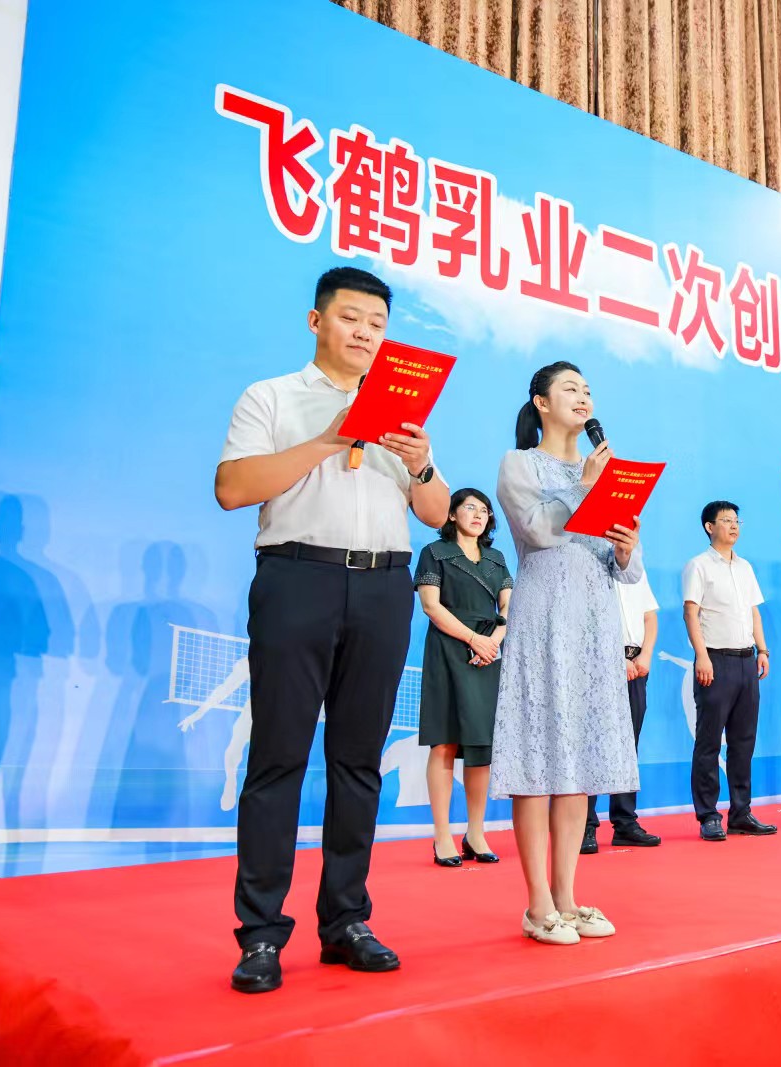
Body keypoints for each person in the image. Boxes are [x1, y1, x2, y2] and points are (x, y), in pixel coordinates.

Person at [215, 267, 450, 994]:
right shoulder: (272, 396)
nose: (364, 333)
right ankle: (260, 932)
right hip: (298, 578)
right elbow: (233, 488)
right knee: (278, 756)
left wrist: (422, 464)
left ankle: (346, 918)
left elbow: (436, 514)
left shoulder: (402, 410)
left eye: (377, 324)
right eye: (351, 318)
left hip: (383, 585)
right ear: (316, 321)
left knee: (358, 761)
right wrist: (330, 437)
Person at [491, 361, 643, 946]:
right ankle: (537, 906)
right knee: (538, 758)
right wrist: (584, 485)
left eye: (588, 389)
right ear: (541, 402)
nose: (583, 397)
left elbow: (627, 570)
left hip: (595, 623)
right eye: (570, 389)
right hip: (544, 618)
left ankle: (567, 898)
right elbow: (536, 531)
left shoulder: (605, 474)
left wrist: (626, 550)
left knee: (577, 761)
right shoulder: (520, 463)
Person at [415, 488, 512, 868]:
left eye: (484, 510)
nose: (478, 515)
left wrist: (493, 641)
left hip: (488, 653)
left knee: (481, 746)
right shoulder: (435, 552)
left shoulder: (496, 558)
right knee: (444, 741)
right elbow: (430, 605)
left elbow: (508, 605)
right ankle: (442, 836)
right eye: (470, 507)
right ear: (452, 514)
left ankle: (475, 832)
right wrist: (473, 639)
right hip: (449, 647)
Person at [683, 501, 776, 842]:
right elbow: (690, 613)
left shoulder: (745, 567)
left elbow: (754, 613)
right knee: (709, 741)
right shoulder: (698, 565)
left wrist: (762, 650)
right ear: (710, 527)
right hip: (715, 661)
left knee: (743, 741)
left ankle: (741, 812)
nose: (734, 526)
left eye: (737, 521)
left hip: (746, 661)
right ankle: (708, 815)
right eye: (726, 520)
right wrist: (702, 656)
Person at [583, 567, 663, 853]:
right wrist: (614, 657)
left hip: (637, 665)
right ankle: (584, 825)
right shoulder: (588, 568)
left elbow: (649, 616)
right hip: (597, 664)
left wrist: (646, 654)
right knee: (591, 746)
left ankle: (625, 822)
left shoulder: (636, 570)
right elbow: (583, 622)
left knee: (629, 745)